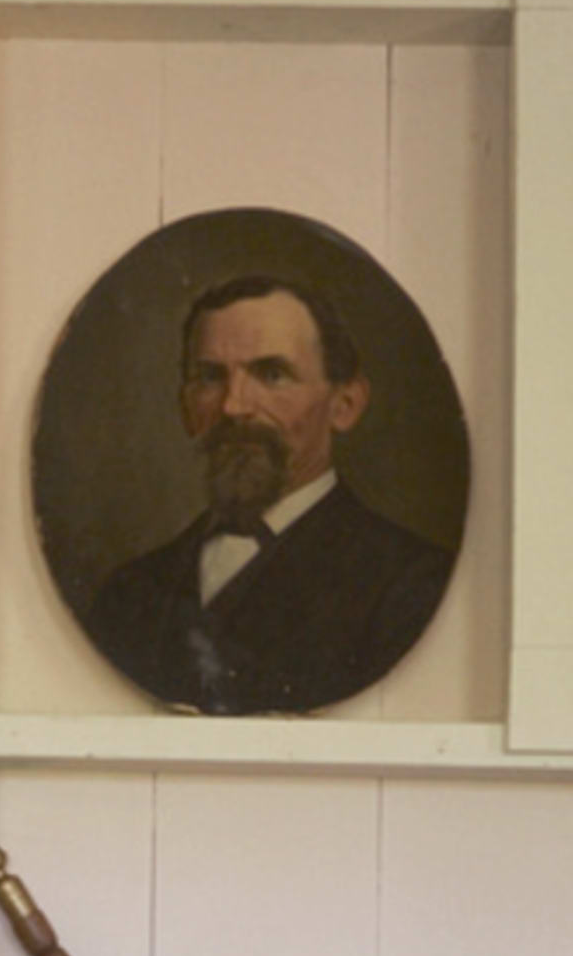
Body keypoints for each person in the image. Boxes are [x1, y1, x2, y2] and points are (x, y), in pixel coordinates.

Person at [79, 274, 454, 716]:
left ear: (345, 404)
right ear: (185, 406)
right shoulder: (127, 595)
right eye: (210, 377)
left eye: (272, 374)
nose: (234, 406)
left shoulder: (411, 586)